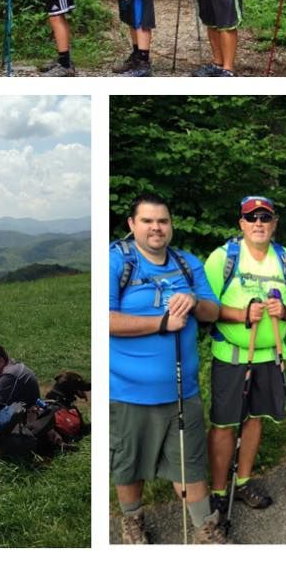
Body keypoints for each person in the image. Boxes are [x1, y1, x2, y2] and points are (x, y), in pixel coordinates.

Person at [110, 193, 225, 544]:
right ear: (132, 224)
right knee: (129, 465)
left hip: (182, 391)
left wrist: (193, 301)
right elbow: (105, 320)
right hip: (127, 392)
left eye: (162, 221)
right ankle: (132, 521)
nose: (156, 227)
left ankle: (205, 530)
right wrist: (161, 323)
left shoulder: (187, 263)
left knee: (190, 465)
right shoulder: (116, 262)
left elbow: (213, 312)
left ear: (171, 224)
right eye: (147, 221)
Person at [204, 196, 286, 514]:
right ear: (242, 223)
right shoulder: (222, 258)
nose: (259, 223)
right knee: (224, 423)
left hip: (271, 355)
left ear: (274, 223)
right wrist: (241, 315)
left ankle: (243, 482)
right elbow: (204, 306)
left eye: (265, 217)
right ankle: (218, 490)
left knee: (255, 420)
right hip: (232, 356)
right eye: (251, 218)